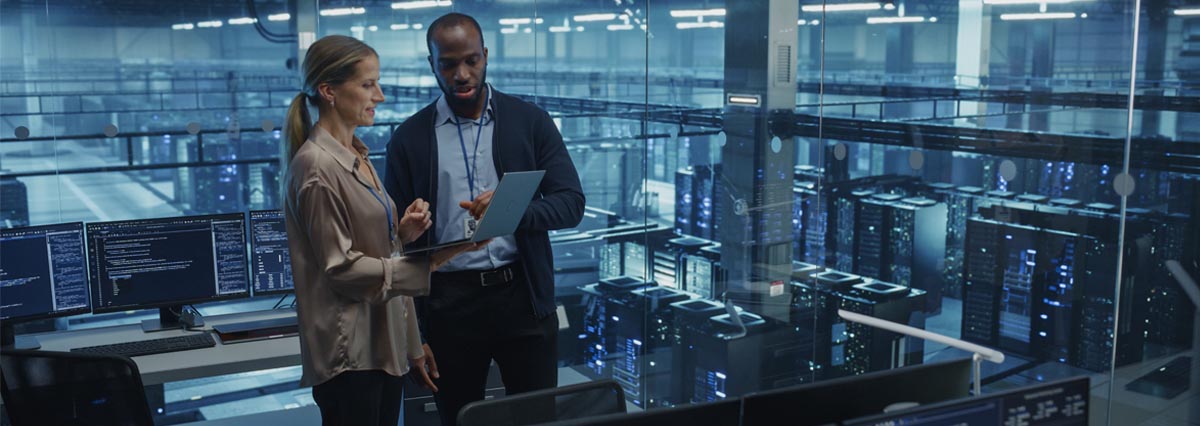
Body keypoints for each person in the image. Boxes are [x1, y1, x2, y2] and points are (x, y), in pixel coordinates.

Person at [384, 12, 585, 425]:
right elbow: (393, 243)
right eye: (448, 63)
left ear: (486, 56)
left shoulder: (529, 122)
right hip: (448, 304)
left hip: (523, 299)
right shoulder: (409, 138)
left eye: (472, 60)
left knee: (536, 417)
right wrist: (416, 332)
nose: (461, 74)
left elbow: (571, 204)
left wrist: (516, 214)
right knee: (460, 418)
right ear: (432, 64)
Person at [283, 34, 483, 426]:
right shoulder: (317, 169)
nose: (381, 96)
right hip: (351, 359)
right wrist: (433, 261)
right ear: (329, 91)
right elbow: (341, 270)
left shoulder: (357, 157)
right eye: (368, 84)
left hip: (381, 348)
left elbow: (380, 255)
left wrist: (402, 236)